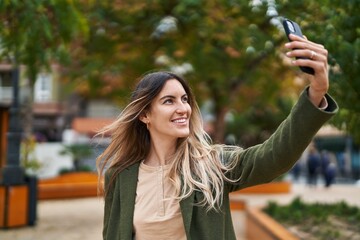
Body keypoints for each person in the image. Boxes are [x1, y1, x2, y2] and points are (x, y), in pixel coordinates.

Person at [96, 34, 338, 240]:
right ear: (145, 115)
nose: (183, 108)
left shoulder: (211, 164)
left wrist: (316, 93)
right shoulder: (119, 175)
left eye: (184, 99)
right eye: (168, 101)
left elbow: (274, 156)